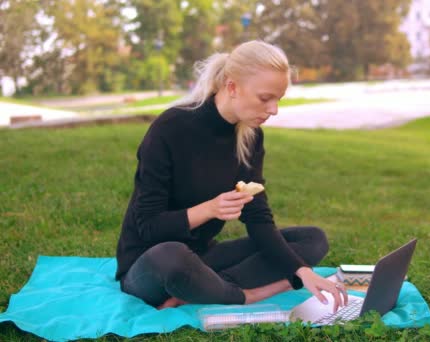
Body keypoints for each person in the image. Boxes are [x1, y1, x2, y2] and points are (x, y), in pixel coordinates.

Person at [115, 40, 347, 312]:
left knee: (312, 240)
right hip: (150, 263)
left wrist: (302, 272)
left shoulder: (250, 136)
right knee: (173, 257)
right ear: (232, 87)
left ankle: (205, 289)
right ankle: (246, 295)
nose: (274, 110)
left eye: (278, 99)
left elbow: (258, 218)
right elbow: (147, 225)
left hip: (203, 257)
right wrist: (209, 209)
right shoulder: (170, 129)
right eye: (265, 98)